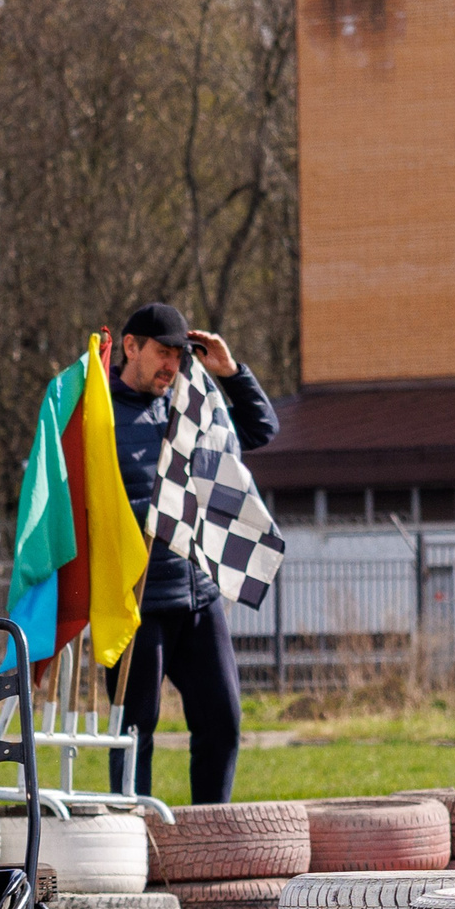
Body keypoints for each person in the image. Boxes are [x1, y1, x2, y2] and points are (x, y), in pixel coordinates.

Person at [103, 301, 280, 806]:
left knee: (223, 722)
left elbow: (261, 430)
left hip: (199, 595)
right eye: (163, 353)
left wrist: (231, 372)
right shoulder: (97, 414)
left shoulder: (192, 405)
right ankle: (132, 832)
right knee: (134, 732)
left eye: (179, 355)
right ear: (131, 347)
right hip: (136, 603)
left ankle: (210, 830)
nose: (172, 365)